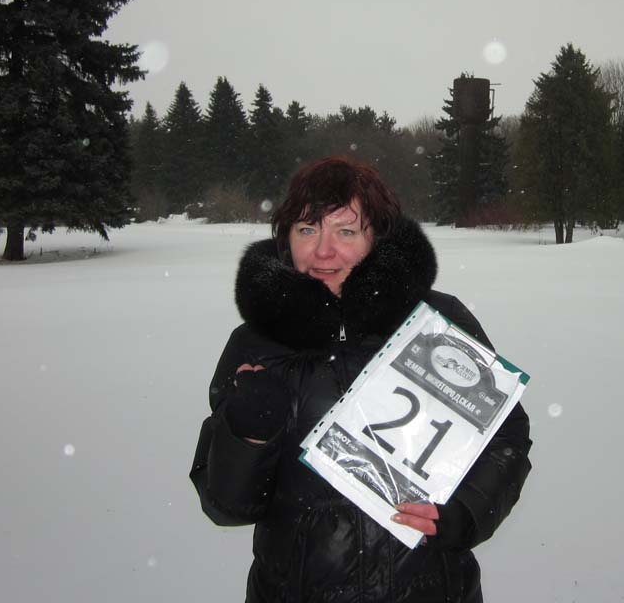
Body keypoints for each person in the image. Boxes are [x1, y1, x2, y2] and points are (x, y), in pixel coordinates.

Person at [190, 156, 532, 603]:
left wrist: (464, 513)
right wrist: (248, 433)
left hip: (431, 589)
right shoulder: (256, 343)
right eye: (307, 229)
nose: (323, 251)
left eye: (346, 232)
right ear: (286, 238)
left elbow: (506, 436)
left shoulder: (435, 322)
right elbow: (227, 505)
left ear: (377, 239)